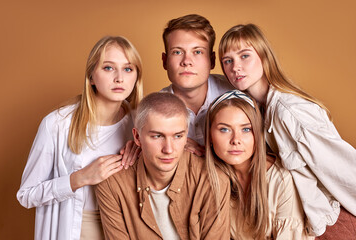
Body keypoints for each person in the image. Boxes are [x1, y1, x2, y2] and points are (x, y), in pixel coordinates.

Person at [218, 24, 356, 238]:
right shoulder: (257, 111)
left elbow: (343, 168)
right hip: (302, 225)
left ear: (264, 57)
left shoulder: (290, 112)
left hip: (332, 222)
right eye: (228, 61)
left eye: (244, 56)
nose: (236, 67)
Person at [16, 36, 143, 240]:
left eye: (128, 69)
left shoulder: (141, 125)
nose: (120, 78)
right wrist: (79, 178)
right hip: (76, 227)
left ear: (136, 76)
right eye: (108, 68)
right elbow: (26, 195)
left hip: (126, 226)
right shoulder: (56, 124)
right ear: (91, 76)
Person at [95, 92, 230, 240]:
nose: (169, 149)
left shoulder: (213, 180)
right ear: (137, 137)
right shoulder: (112, 185)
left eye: (178, 136)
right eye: (157, 136)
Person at [205, 90, 312, 239]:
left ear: (258, 134)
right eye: (224, 129)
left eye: (246, 129)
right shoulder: (209, 179)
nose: (236, 140)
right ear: (209, 135)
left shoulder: (281, 180)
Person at [160, 14, 233, 156]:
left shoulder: (235, 93)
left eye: (197, 52)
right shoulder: (154, 110)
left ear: (211, 60)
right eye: (177, 52)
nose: (186, 61)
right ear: (164, 61)